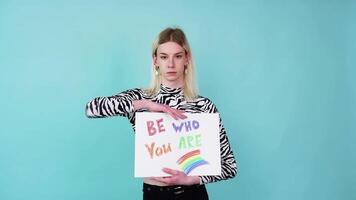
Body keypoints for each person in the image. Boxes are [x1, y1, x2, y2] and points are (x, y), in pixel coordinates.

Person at [85, 27, 237, 200]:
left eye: (178, 56)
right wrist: (146, 104)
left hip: (192, 194)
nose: (170, 64)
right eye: (164, 57)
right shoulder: (140, 98)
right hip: (154, 194)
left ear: (187, 59)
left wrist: (191, 179)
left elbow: (229, 166)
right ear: (155, 60)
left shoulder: (203, 105)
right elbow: (92, 109)